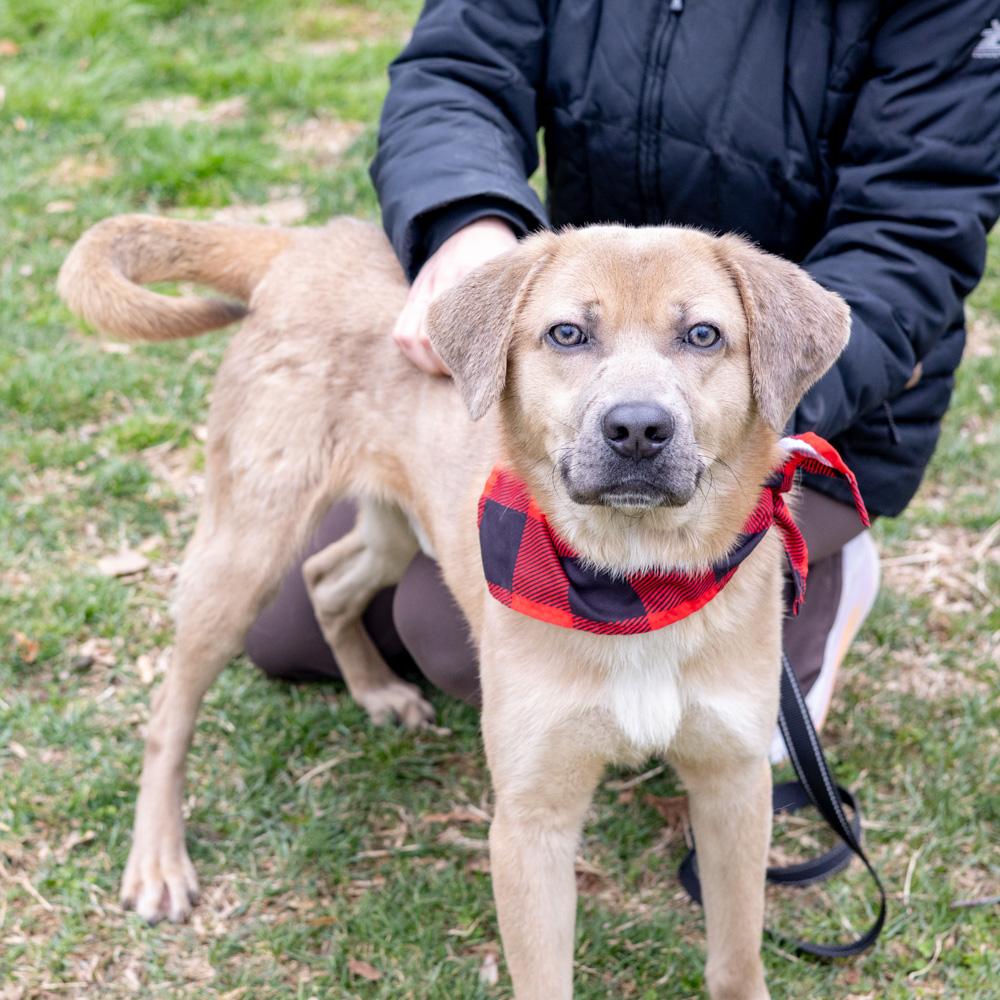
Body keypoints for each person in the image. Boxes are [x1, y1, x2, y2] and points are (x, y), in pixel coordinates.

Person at [246, 0, 1000, 748]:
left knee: (442, 636)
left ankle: (813, 567)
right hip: (587, 386)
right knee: (285, 639)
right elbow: (458, 68)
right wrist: (466, 220)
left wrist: (758, 396)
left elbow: (912, 234)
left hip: (794, 407)